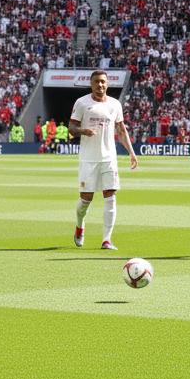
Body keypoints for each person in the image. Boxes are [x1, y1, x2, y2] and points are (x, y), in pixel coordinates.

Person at [68, 71, 138, 250]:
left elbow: (121, 130)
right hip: (88, 159)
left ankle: (107, 239)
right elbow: (72, 127)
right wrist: (84, 131)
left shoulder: (114, 104)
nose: (100, 85)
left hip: (108, 158)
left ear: (107, 84)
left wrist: (131, 152)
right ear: (91, 84)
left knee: (110, 195)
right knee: (86, 198)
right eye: (97, 82)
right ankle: (79, 224)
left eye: (103, 82)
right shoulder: (82, 103)